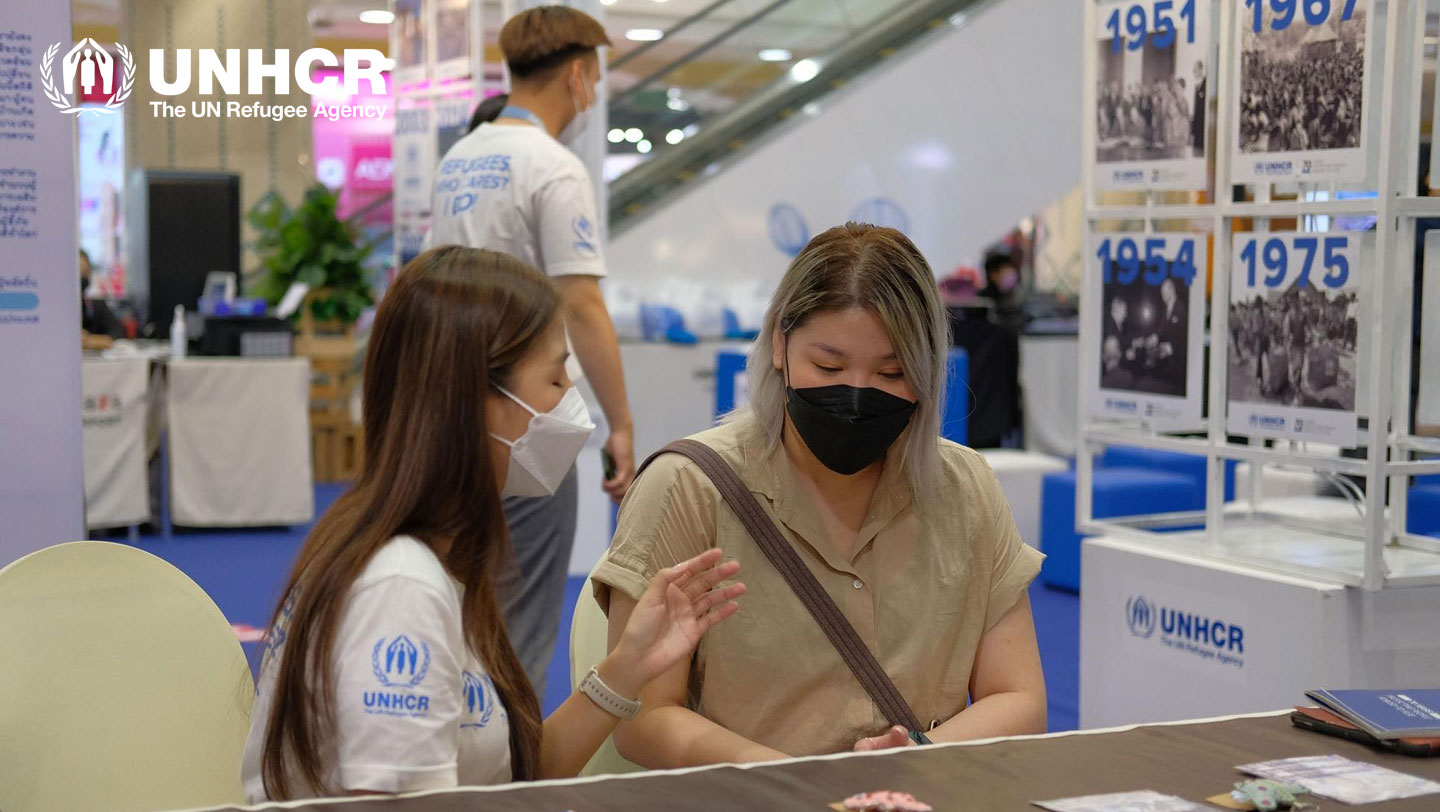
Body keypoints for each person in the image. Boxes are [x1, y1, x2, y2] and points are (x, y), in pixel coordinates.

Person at [240, 246, 745, 801]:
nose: (572, 403)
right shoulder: (400, 587)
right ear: (474, 400)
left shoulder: (431, 557)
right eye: (555, 381)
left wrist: (628, 668)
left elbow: (511, 778)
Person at [591, 224, 1046, 767]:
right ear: (780, 344)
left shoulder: (966, 488)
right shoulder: (689, 487)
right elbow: (643, 720)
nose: (855, 394)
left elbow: (1019, 700)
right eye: (828, 367)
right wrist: (794, 782)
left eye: (892, 372)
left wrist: (912, 758)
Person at [426, 6, 636, 694]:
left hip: (452, 404)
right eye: (595, 80)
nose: (593, 95)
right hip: (524, 414)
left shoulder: (460, 156)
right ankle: (513, 768)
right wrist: (621, 423)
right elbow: (580, 302)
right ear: (577, 75)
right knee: (522, 617)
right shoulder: (554, 166)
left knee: (460, 598)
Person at [79, 249, 121, 351]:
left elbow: (116, 334)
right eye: (78, 272)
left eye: (84, 271)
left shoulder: (98, 306)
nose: (81, 277)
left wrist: (89, 340)